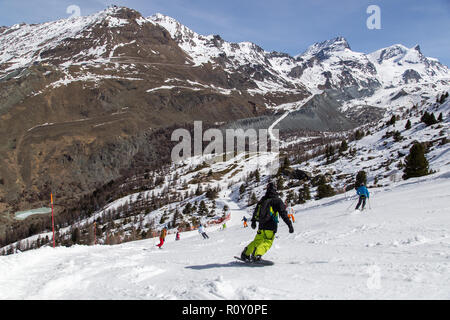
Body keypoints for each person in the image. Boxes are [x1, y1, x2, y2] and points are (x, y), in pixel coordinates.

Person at [240, 182, 294, 262]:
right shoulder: (277, 200)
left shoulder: (263, 199)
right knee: (268, 241)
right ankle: (256, 255)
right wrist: (289, 224)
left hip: (261, 225)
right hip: (271, 225)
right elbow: (283, 213)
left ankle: (245, 254)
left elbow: (256, 211)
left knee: (257, 241)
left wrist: (253, 221)